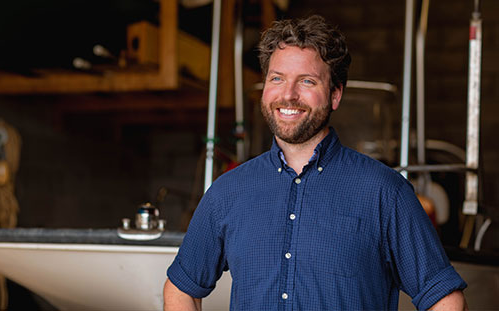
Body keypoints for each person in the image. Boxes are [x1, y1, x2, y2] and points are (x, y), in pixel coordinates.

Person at [164, 15, 467, 310]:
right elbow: (181, 289)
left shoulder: (384, 192)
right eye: (277, 78)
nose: (288, 94)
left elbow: (445, 299)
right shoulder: (227, 192)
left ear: (335, 95)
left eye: (306, 81)